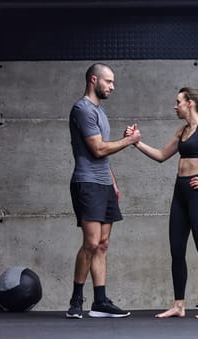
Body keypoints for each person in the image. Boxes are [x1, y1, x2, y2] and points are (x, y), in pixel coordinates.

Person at [125, 87, 198, 319]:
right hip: (180, 194)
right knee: (176, 251)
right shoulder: (183, 130)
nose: (175, 106)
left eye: (178, 102)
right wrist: (135, 143)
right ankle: (178, 305)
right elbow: (161, 155)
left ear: (190, 104)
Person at [66, 63, 141, 319]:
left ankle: (100, 302)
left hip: (104, 184)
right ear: (93, 80)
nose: (112, 87)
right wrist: (129, 141)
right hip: (87, 183)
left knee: (104, 244)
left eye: (113, 83)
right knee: (91, 242)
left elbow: (104, 154)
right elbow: (98, 149)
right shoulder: (82, 109)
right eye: (108, 82)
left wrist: (114, 182)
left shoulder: (100, 111)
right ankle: (76, 300)